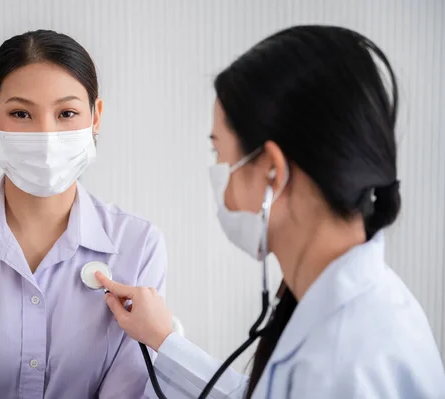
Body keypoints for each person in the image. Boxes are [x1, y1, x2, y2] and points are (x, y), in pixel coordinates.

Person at [95, 25, 445, 398]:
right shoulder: (351, 311)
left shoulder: (343, 363)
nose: (219, 176)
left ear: (273, 173)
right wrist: (164, 340)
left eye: (220, 153)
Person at [0, 30, 167, 399]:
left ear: (96, 117)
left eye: (67, 113)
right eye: (21, 113)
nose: (46, 136)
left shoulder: (138, 246)